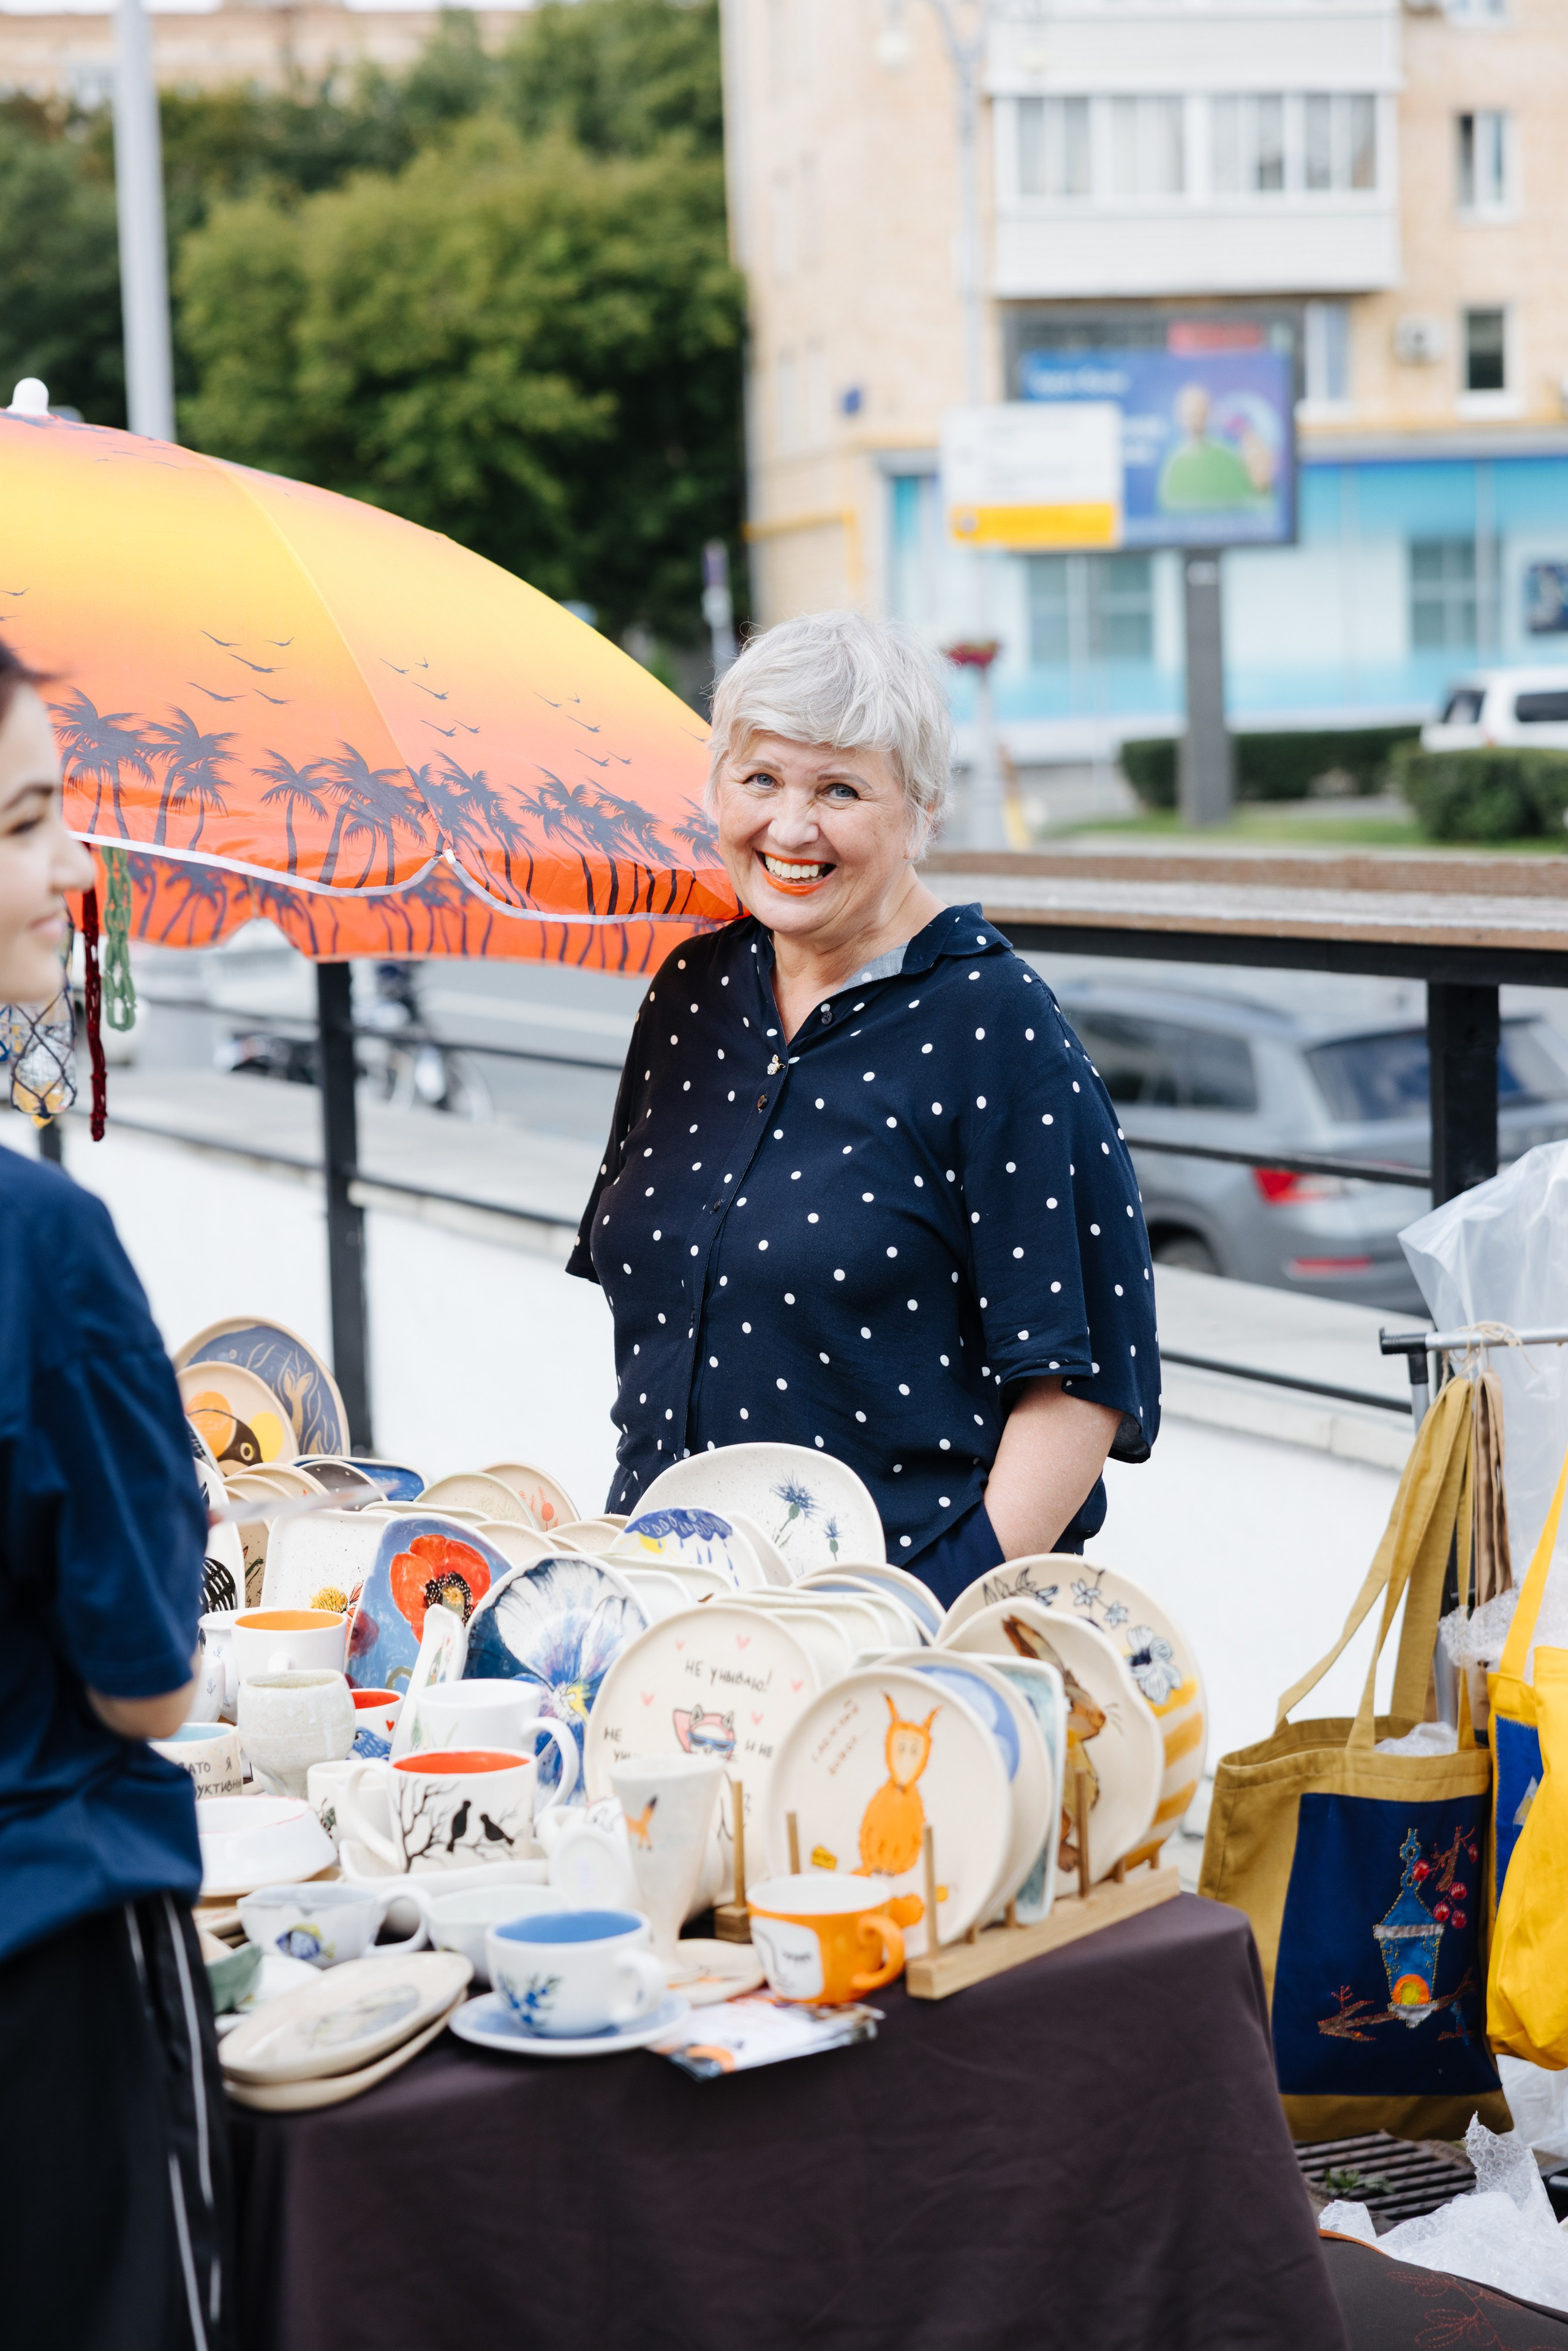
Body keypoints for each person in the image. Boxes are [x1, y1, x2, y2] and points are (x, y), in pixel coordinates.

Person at [569, 610, 1159, 1606]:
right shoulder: (690, 995)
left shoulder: (996, 1026)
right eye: (760, 779)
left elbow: (1081, 1388)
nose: (791, 829)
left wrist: (923, 1616)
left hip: (890, 1632)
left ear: (922, 811)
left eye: (840, 789)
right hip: (666, 1610)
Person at [0, 640, 233, 2349]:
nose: (74, 869)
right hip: (47, 1977)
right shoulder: (42, 1244)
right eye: (25, 820)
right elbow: (145, 1676)